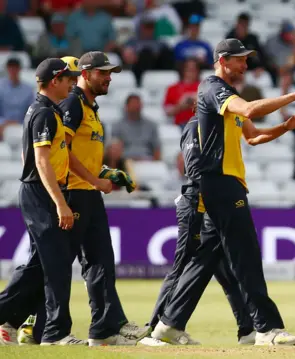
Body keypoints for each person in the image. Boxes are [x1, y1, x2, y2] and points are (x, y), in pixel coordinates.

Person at [151, 38, 295, 346]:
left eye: (246, 59)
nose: (245, 64)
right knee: (246, 254)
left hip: (226, 182)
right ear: (222, 60)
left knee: (206, 259)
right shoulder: (213, 88)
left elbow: (252, 136)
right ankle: (267, 329)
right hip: (221, 181)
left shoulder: (228, 96)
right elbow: (252, 109)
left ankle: (169, 325)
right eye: (240, 59)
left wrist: (285, 127)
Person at [140, 111, 255, 346]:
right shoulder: (196, 126)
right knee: (182, 267)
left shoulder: (215, 128)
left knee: (229, 273)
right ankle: (154, 329)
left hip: (214, 208)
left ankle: (247, 330)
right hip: (197, 206)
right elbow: (192, 169)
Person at [58, 51, 147, 346]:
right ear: (85, 74)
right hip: (74, 193)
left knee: (101, 262)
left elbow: (83, 155)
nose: (109, 77)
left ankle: (105, 328)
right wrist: (95, 179)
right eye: (103, 73)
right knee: (54, 264)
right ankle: (29, 321)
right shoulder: (73, 103)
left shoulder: (90, 107)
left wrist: (107, 173)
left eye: (110, 73)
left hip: (89, 193)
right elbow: (62, 150)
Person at [2, 58, 83, 346]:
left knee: (41, 264)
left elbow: (32, 158)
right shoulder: (45, 114)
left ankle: (12, 319)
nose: (73, 83)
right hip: (41, 193)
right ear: (54, 81)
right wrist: (60, 203)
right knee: (57, 262)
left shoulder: (46, 111)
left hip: (39, 190)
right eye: (68, 79)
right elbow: (40, 161)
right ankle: (55, 333)